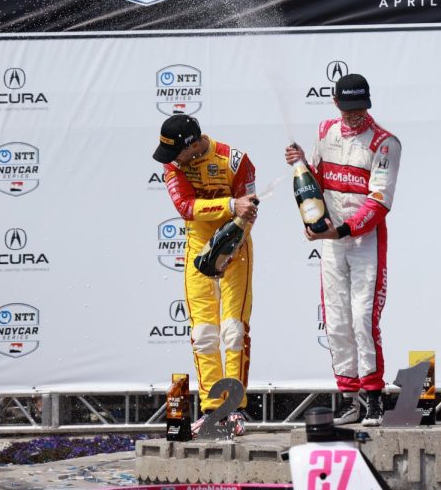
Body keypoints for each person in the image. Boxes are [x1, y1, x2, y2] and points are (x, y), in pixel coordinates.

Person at [284, 73, 401, 427]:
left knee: (363, 319)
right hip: (332, 241)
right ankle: (350, 399)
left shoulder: (385, 143)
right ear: (336, 104)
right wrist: (301, 162)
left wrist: (343, 230)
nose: (355, 116)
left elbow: (380, 201)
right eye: (348, 109)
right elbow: (315, 184)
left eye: (360, 108)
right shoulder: (325, 131)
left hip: (364, 241)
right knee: (336, 322)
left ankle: (374, 398)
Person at [152, 114, 259, 436]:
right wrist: (229, 205)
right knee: (203, 334)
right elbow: (185, 206)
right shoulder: (173, 165)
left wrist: (228, 245)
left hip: (236, 248)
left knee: (233, 330)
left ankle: (236, 410)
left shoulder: (236, 160)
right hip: (199, 251)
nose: (171, 160)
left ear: (194, 143)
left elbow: (249, 209)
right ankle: (212, 410)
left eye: (176, 153)